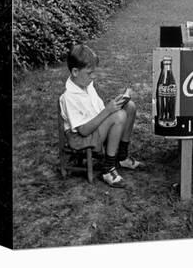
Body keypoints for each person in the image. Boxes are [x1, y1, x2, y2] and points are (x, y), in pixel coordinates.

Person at [59, 44, 141, 188]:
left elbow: (99, 111)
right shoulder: (69, 97)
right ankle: (108, 169)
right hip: (82, 138)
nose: (94, 76)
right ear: (75, 71)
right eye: (90, 73)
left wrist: (116, 104)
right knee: (119, 116)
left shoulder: (86, 85)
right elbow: (83, 130)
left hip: (94, 129)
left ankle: (122, 157)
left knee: (130, 107)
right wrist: (109, 111)